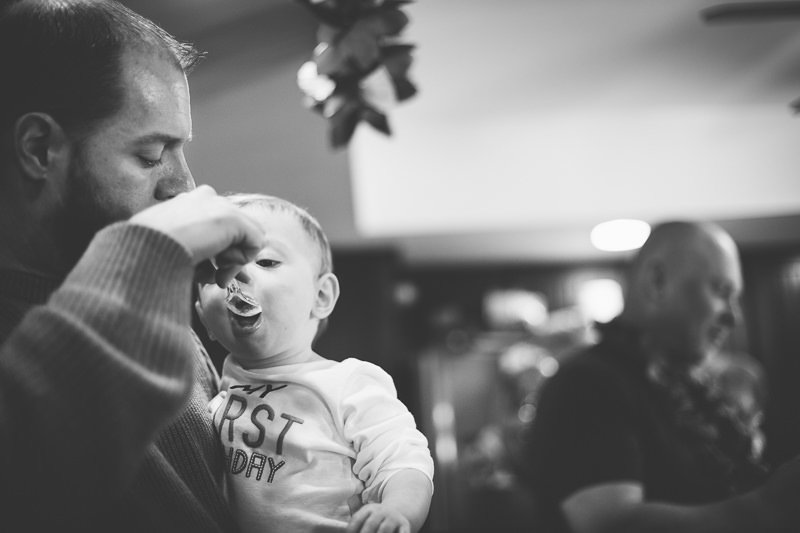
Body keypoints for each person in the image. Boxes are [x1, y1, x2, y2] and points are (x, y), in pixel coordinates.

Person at [0, 0, 260, 530]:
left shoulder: (163, 324)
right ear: (39, 148)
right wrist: (148, 252)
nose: (185, 185)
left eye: (181, 150)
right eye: (151, 154)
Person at [522, 220, 785, 533]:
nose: (733, 317)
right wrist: (770, 506)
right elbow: (612, 526)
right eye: (721, 291)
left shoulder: (688, 387)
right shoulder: (587, 381)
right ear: (657, 282)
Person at [195, 194, 434, 533]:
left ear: (320, 296)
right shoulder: (214, 390)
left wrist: (397, 511)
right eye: (218, 269)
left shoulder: (348, 383)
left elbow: (403, 461)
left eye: (266, 261)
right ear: (204, 318)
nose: (236, 274)